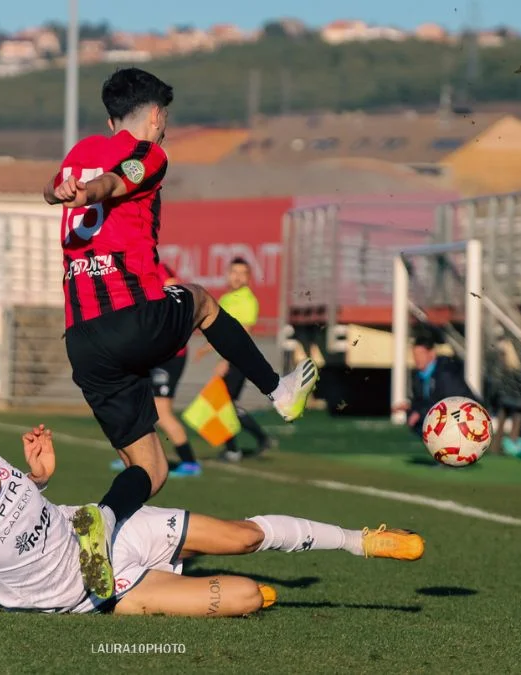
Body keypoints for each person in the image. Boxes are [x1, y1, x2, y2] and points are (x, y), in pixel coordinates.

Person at [44, 68, 319, 599]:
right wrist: (89, 192)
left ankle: (99, 524)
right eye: (164, 116)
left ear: (108, 118)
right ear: (153, 115)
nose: (165, 126)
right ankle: (279, 391)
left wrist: (63, 193)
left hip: (82, 340)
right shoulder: (150, 153)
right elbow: (115, 182)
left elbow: (70, 187)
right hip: (127, 317)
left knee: (150, 466)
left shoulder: (78, 151)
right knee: (198, 299)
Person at [0, 425, 424, 619]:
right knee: (250, 598)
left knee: (244, 537)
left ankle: (358, 541)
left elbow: (24, 506)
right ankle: (180, 573)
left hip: (101, 527)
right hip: (100, 588)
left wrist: (41, 476)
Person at [110, 263, 201, 477]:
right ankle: (138, 458)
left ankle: (190, 463)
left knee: (161, 411)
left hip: (169, 354)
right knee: (136, 404)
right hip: (148, 353)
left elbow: (175, 304)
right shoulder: (128, 272)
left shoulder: (158, 270)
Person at [195, 257, 277, 462]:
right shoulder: (225, 299)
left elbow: (243, 334)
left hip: (237, 359)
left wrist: (227, 360)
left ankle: (235, 449)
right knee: (225, 405)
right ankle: (258, 440)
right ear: (228, 274)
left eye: (243, 273)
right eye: (234, 272)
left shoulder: (247, 300)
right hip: (228, 358)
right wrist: (205, 350)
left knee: (222, 405)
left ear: (249, 277)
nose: (238, 276)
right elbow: (219, 333)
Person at [392, 325, 474, 436]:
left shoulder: (446, 373)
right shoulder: (418, 376)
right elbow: (423, 401)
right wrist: (410, 407)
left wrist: (420, 413)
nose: (417, 359)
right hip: (444, 420)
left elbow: (450, 403)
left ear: (432, 353)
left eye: (421, 354)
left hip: (466, 419)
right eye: (415, 355)